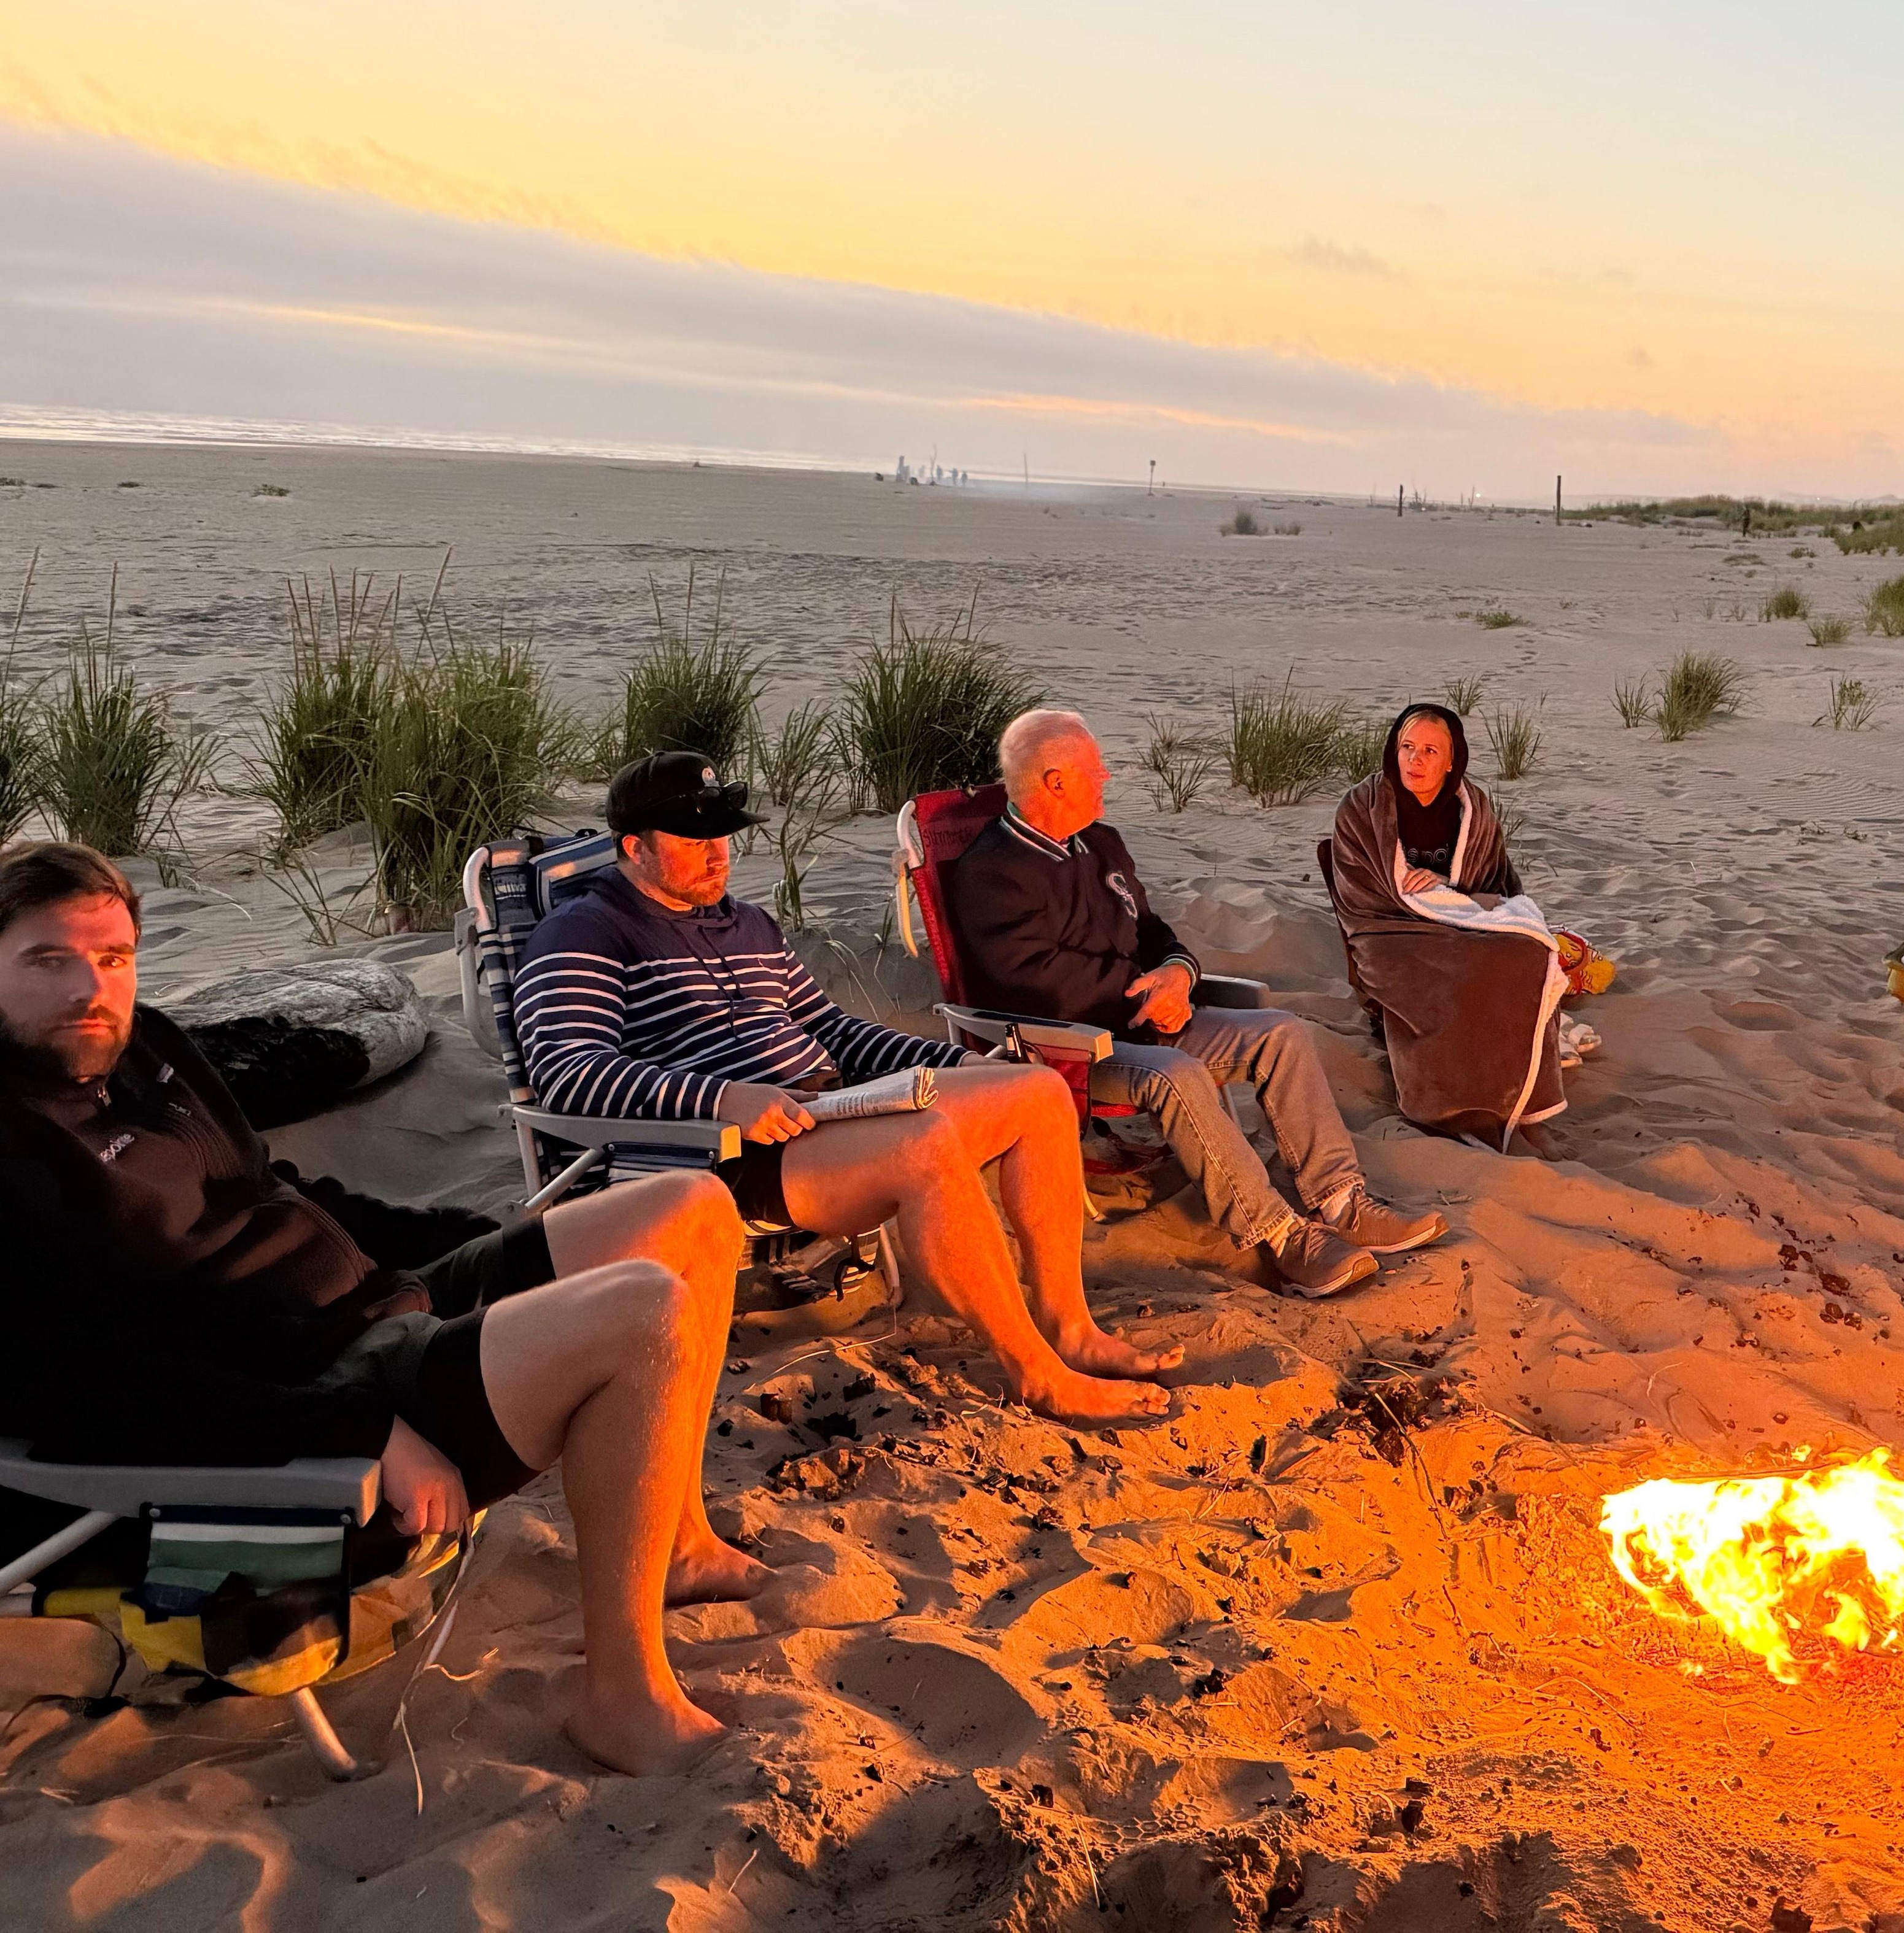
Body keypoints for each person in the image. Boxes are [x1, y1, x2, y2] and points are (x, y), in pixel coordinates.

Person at [0, 841, 753, 1774]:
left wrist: (473, 1233)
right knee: (640, 1310)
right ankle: (623, 1693)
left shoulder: (145, 1041)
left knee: (689, 1208)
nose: (91, 986)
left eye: (112, 957)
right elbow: (94, 1393)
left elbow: (268, 1187)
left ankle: (677, 1541)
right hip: (319, 1393)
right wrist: (361, 1430)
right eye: (49, 960)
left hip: (378, 1304)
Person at [516, 752, 1173, 1422]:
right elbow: (566, 1072)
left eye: (723, 838)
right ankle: (1034, 1373)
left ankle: (1070, 1328)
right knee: (923, 1144)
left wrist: (948, 1063)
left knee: (1033, 1090)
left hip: (830, 1110)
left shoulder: (746, 923)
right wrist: (724, 1101)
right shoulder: (587, 932)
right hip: (726, 1153)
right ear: (635, 847)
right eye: (696, 842)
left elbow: (831, 1029)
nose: (719, 857)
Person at [945, 709, 1445, 1299]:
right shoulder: (991, 873)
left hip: (1154, 1018)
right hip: (1072, 1048)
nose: (1105, 775)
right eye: (1093, 768)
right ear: (1055, 782)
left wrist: (1179, 974)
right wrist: (1147, 995)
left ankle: (1341, 1201)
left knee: (1282, 1033)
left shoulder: (1100, 845)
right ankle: (1281, 1239)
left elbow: (1152, 930)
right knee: (1178, 1075)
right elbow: (1032, 983)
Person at [1325, 703, 1570, 1146]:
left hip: (1461, 917)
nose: (1415, 761)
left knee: (1527, 951)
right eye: (1407, 747)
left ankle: (1517, 1098)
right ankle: (1453, 1108)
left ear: (1452, 761)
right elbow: (1360, 895)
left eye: (1430, 751)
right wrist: (1413, 895)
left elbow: (1496, 882)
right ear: (1392, 750)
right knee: (1453, 970)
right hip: (1390, 931)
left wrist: (1448, 886)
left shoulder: (1472, 809)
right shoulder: (1363, 808)